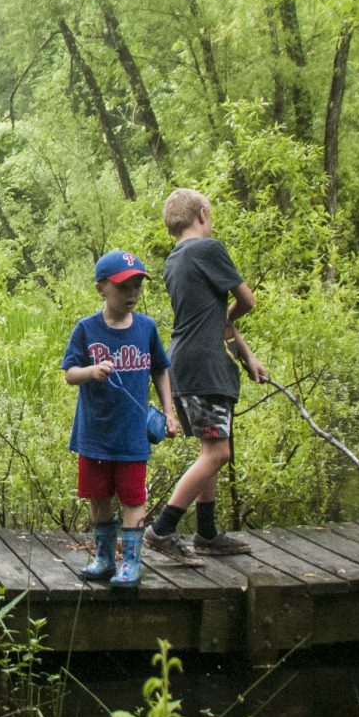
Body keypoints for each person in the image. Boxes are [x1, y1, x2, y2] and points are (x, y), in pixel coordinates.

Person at [147, 189, 264, 560]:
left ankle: (207, 533)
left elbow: (209, 319)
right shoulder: (208, 250)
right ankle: (161, 530)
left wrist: (246, 355)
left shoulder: (174, 260)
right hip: (205, 366)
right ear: (203, 213)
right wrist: (232, 320)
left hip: (184, 361)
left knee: (209, 448)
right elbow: (246, 301)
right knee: (217, 453)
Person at [60, 249, 178, 591]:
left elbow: (160, 368)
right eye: (124, 287)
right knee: (98, 496)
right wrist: (91, 371)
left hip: (131, 434)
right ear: (102, 288)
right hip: (94, 433)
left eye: (137, 286)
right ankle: (103, 557)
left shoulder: (146, 328)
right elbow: (69, 374)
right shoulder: (86, 329)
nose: (132, 294)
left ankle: (130, 562)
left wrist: (169, 413)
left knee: (133, 498)